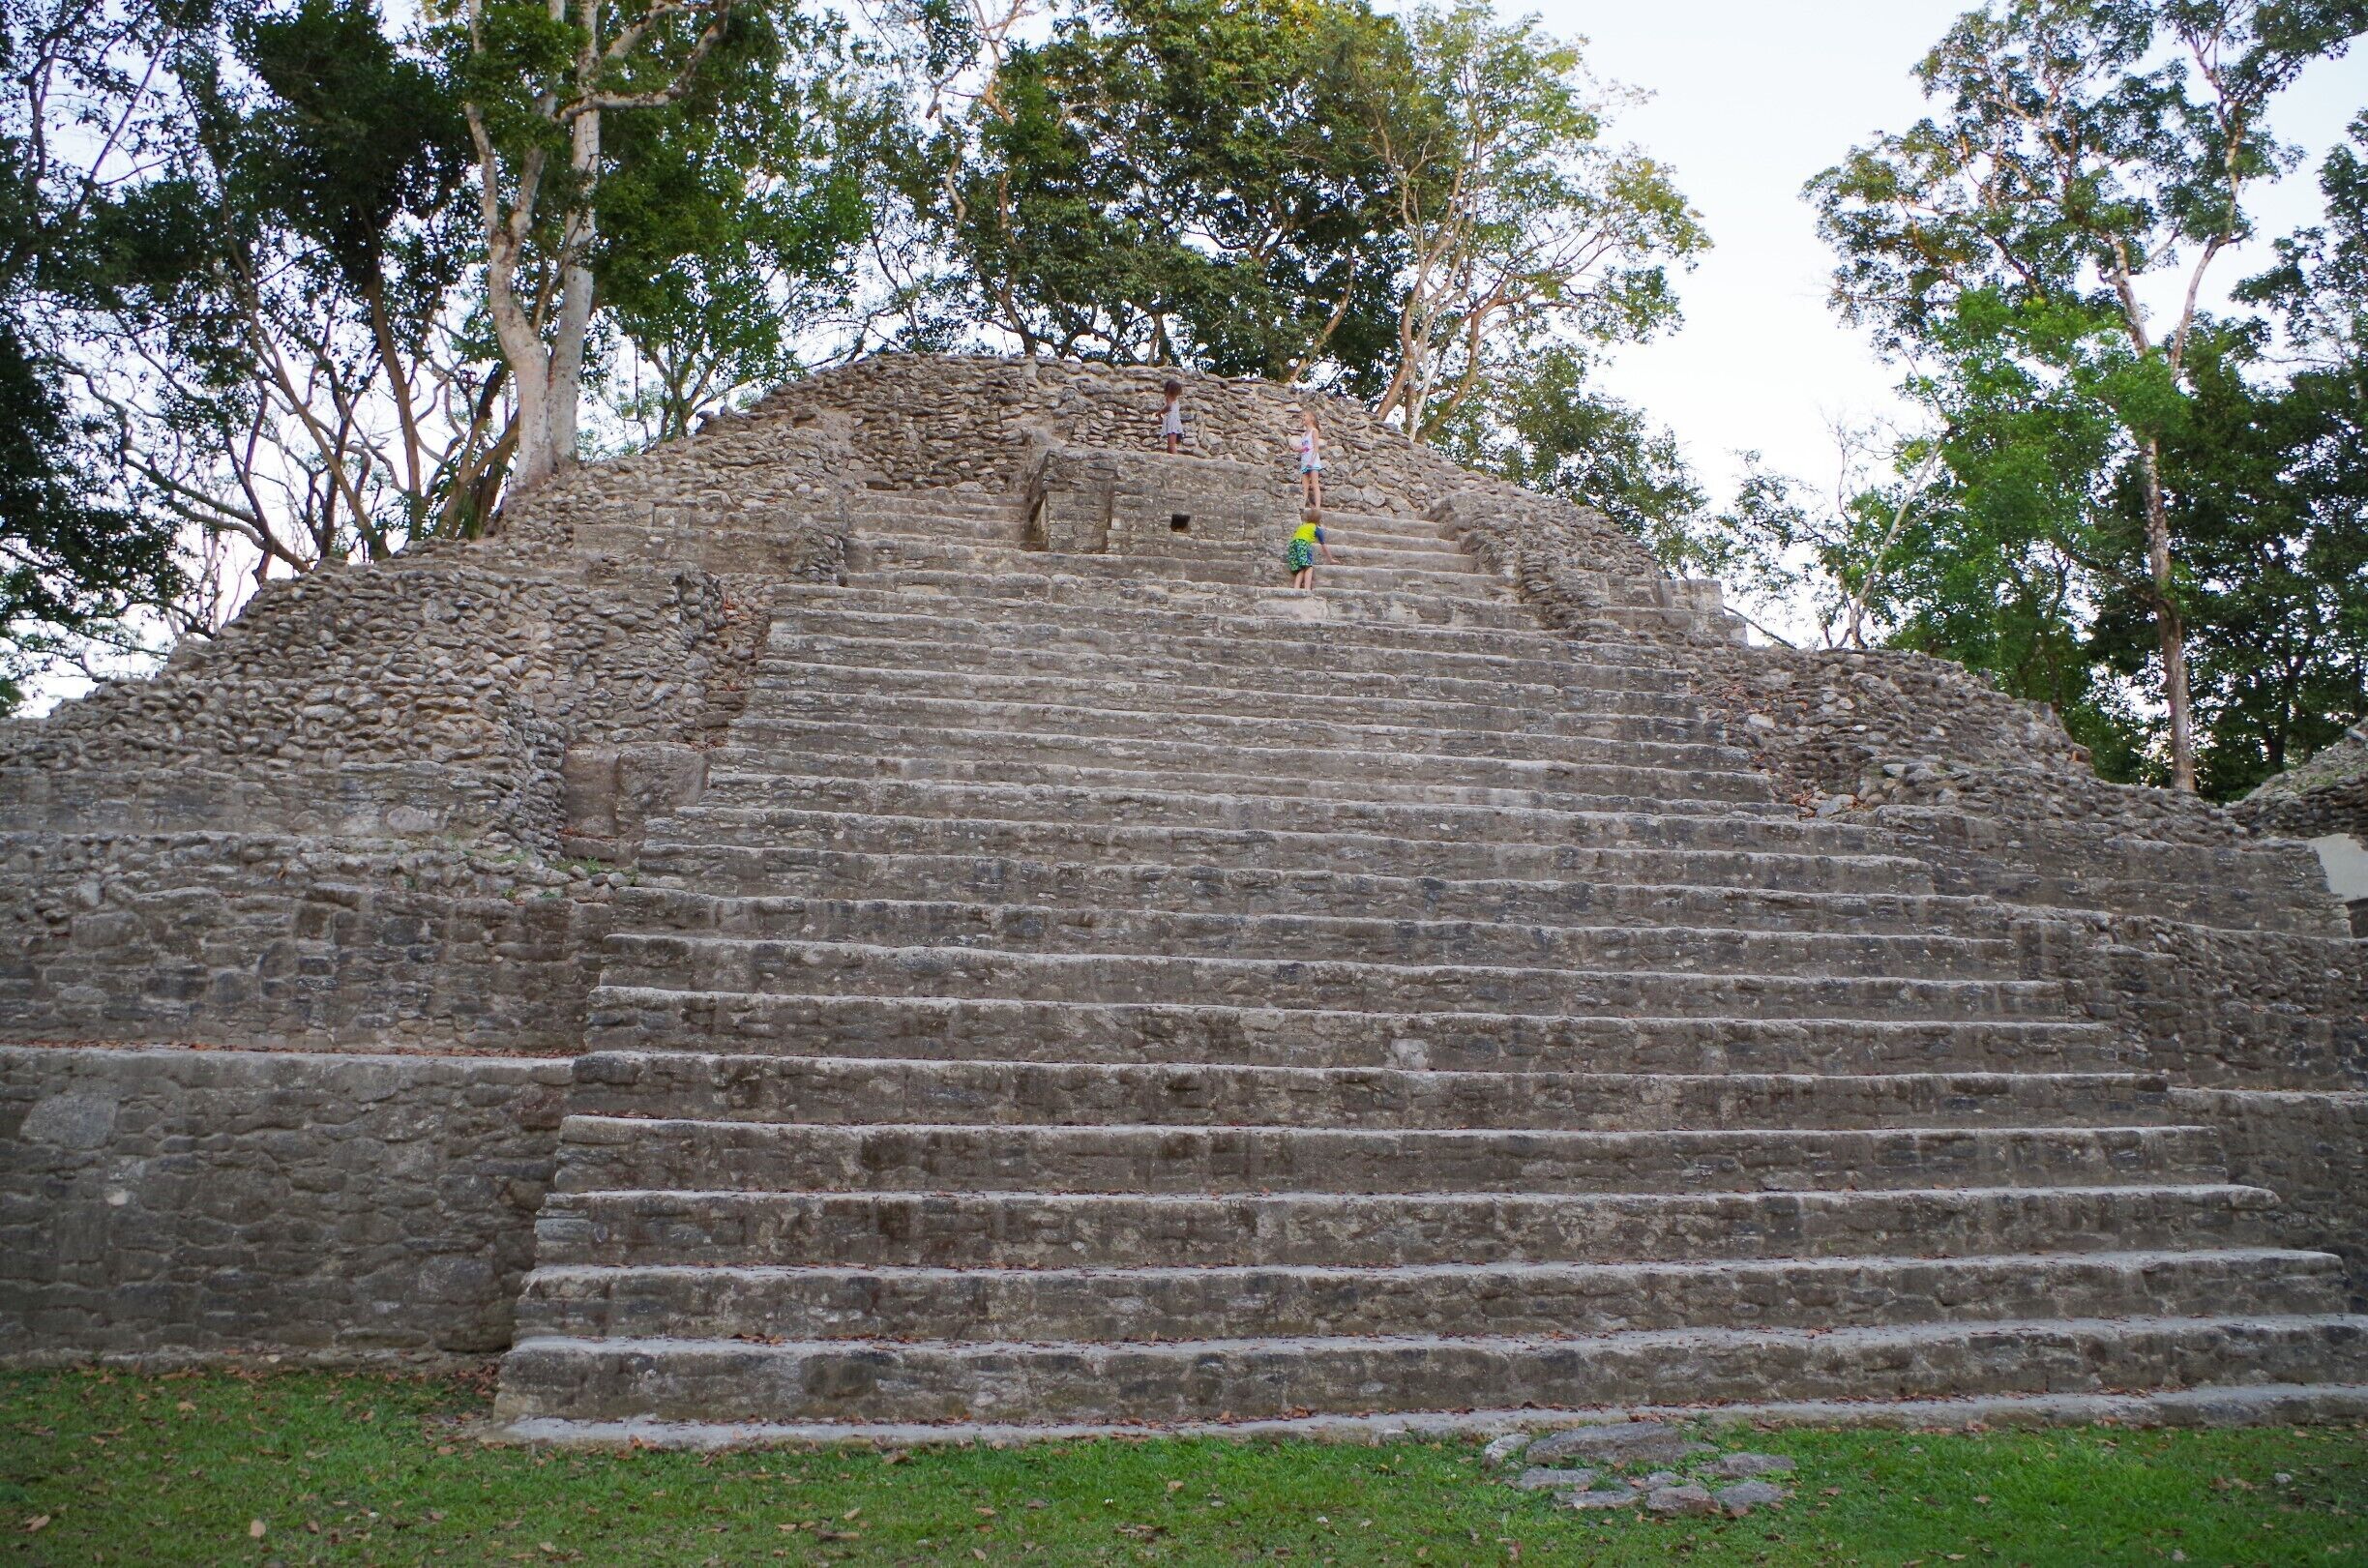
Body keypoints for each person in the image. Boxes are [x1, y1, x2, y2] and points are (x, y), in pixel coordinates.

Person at [1286, 510, 1337, 590]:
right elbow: (1324, 546)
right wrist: (1331, 559)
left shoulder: (1302, 526)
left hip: (1293, 545)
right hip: (1303, 545)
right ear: (1319, 520)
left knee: (1302, 568)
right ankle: (1307, 588)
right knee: (1309, 567)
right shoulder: (1316, 529)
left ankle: (1296, 588)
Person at [1292, 408, 1322, 510]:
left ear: (1312, 418)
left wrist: (1311, 461)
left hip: (1313, 462)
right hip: (1305, 462)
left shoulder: (1314, 431)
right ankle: (1303, 505)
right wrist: (1298, 449)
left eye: (1305, 415)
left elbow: (1316, 448)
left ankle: (1317, 508)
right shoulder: (1304, 434)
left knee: (1314, 484)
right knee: (1304, 486)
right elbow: (1305, 448)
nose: (1303, 417)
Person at [1160, 379, 1186, 454]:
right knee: (1170, 445)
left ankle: (1177, 460)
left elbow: (1168, 407)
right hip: (1175, 421)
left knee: (1171, 445)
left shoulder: (1169, 397)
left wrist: (1160, 412)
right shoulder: (1175, 399)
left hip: (1171, 422)